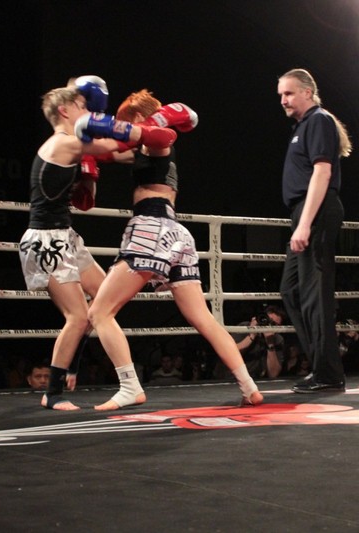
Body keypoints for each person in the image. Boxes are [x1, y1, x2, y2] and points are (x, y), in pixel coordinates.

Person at [81, 89, 263, 410]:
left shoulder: (157, 141)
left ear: (139, 118)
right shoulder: (143, 148)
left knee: (99, 312)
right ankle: (249, 387)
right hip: (175, 233)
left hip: (151, 228)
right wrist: (85, 154)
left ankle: (130, 386)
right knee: (203, 318)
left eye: (127, 122)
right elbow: (109, 151)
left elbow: (164, 132)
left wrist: (104, 124)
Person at [19, 77, 177, 411]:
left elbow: (120, 155)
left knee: (101, 300)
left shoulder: (72, 144)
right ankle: (53, 392)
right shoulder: (63, 143)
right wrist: (154, 125)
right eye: (82, 107)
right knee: (77, 316)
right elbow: (113, 147)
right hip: (46, 242)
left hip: (65, 236)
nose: (89, 112)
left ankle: (74, 367)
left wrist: (153, 154)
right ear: (65, 111)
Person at [276, 68, 352, 393]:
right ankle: (322, 364)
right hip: (304, 211)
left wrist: (305, 223)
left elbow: (322, 172)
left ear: (307, 92)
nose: (283, 100)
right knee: (291, 290)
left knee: (314, 294)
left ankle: (328, 373)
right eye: (281, 95)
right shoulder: (304, 126)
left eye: (289, 93)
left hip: (315, 211)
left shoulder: (318, 120)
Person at [232, 305, 288, 379]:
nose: (269, 325)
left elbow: (273, 374)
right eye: (267, 320)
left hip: (259, 380)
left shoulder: (277, 339)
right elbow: (230, 356)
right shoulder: (244, 327)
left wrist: (270, 344)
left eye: (274, 324)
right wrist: (251, 336)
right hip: (233, 377)